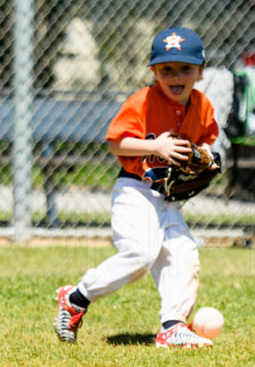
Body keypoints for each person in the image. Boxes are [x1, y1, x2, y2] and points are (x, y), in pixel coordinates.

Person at [53, 26, 219, 349]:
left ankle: (172, 326)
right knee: (142, 253)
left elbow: (207, 143)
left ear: (200, 71)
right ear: (154, 71)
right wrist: (156, 149)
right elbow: (116, 143)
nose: (175, 76)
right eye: (166, 69)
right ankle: (75, 297)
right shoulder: (143, 101)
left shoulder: (203, 105)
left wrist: (207, 157)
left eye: (185, 68)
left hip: (170, 197)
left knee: (183, 255)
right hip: (135, 189)